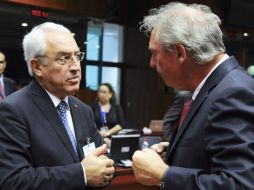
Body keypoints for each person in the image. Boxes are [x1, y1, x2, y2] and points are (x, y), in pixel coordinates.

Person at [132, 2, 254, 190]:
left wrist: (163, 175)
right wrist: (177, 153)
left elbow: (239, 184)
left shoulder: (232, 93)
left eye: (155, 54)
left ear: (180, 53)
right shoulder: (217, 86)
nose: (151, 63)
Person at [0, 22, 115, 190]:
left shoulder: (83, 110)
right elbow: (13, 181)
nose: (76, 67)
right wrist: (81, 174)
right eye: (64, 58)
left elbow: (104, 160)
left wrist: (106, 168)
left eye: (77, 56)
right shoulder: (13, 110)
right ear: (37, 66)